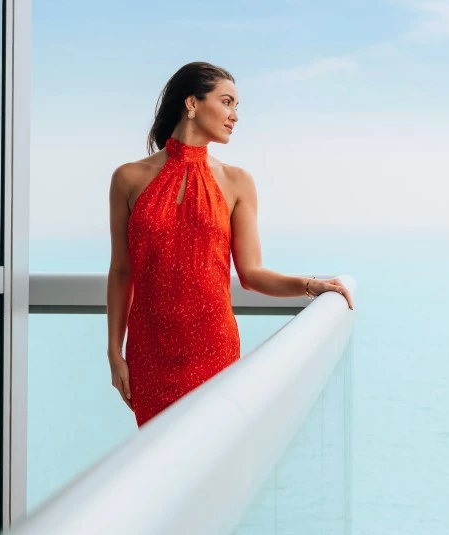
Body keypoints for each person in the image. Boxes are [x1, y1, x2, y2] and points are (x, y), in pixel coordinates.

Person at [107, 62, 354, 427]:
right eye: (227, 102)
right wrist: (114, 351)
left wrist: (309, 285)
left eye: (237, 107)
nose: (234, 116)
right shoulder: (127, 178)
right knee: (162, 464)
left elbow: (251, 274)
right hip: (149, 352)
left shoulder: (238, 182)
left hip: (212, 348)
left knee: (207, 457)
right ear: (192, 103)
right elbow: (122, 270)